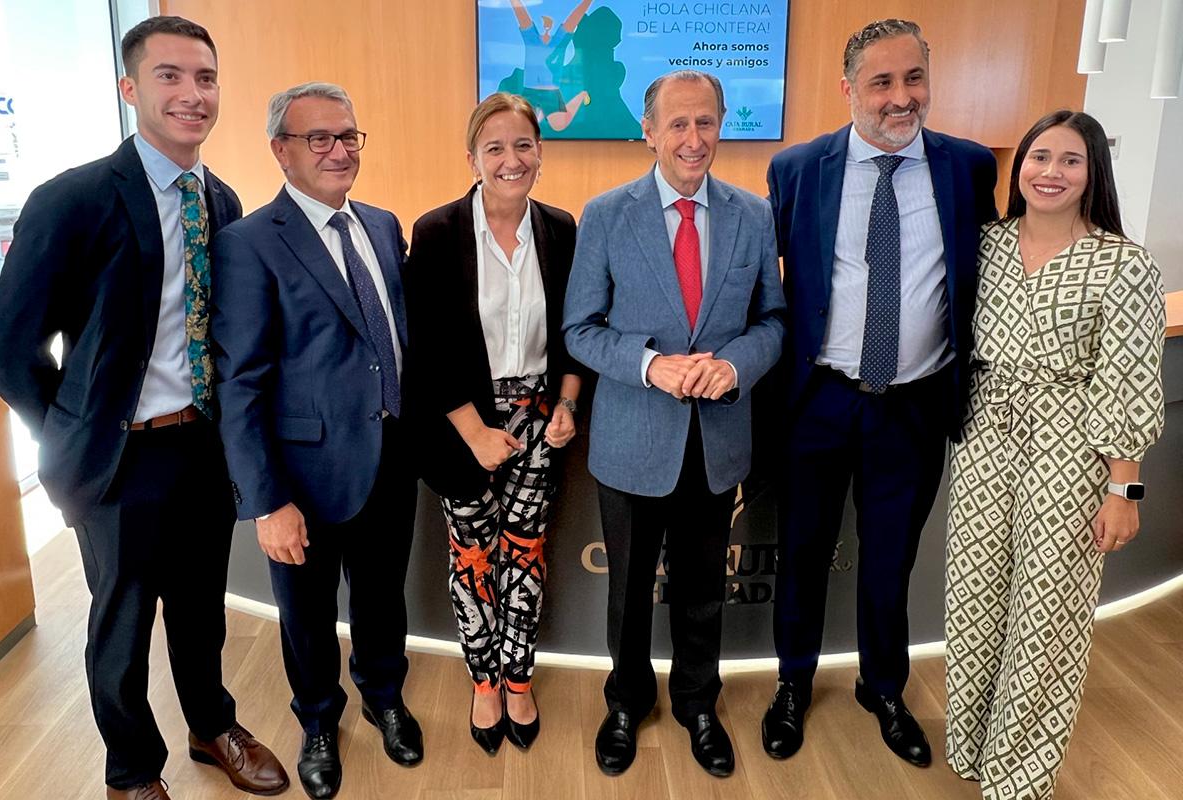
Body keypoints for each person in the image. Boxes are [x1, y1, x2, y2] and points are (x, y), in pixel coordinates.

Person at [0, 16, 288, 800]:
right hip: (117, 456)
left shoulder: (220, 199)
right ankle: (130, 771)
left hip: (202, 445)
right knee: (120, 624)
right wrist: (68, 435)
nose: (192, 94)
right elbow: (10, 347)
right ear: (131, 88)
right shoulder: (73, 198)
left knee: (200, 608)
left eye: (206, 78)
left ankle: (210, 724)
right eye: (170, 76)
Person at [763, 18, 997, 767]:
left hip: (915, 406)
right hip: (819, 401)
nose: (902, 98)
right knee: (801, 552)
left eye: (914, 79)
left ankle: (884, 687)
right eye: (883, 83)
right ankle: (793, 685)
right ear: (848, 90)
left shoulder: (967, 168)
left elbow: (986, 274)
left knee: (889, 557)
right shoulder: (797, 169)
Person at [564, 69, 786, 778]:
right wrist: (648, 365)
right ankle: (625, 703)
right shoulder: (605, 213)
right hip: (633, 438)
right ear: (649, 131)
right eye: (679, 125)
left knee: (700, 589)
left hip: (717, 440)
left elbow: (773, 320)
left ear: (722, 125)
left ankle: (697, 703)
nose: (694, 140)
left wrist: (736, 366)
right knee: (628, 591)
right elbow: (580, 328)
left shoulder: (753, 213)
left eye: (707, 123)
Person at [944, 110, 1165, 800]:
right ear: (1020, 167)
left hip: (1072, 452)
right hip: (985, 437)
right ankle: (971, 745)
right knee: (974, 598)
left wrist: (1123, 492)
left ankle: (1020, 774)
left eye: (1071, 161)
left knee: (1048, 613)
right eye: (1040, 157)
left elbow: (1129, 379)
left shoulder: (1125, 263)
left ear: (1093, 173)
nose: (1050, 172)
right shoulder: (984, 245)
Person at [210, 82, 421, 800]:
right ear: (281, 151)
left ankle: (385, 698)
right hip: (303, 473)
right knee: (306, 613)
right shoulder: (247, 244)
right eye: (319, 138)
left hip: (391, 457)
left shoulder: (385, 225)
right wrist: (268, 501)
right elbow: (239, 384)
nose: (338, 150)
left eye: (349, 136)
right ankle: (319, 721)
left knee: (382, 598)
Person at [406, 92, 583, 755]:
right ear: (474, 157)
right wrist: (473, 431)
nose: (512, 160)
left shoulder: (562, 229)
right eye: (496, 148)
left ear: (540, 151)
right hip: (463, 418)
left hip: (540, 412)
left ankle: (518, 676)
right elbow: (425, 346)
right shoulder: (438, 230)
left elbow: (573, 332)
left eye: (524, 146)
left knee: (526, 553)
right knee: (474, 556)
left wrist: (566, 403)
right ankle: (483, 679)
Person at [509, 0, 592, 131]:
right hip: (530, 90)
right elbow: (522, 15)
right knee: (523, 125)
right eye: (544, 29)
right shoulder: (532, 40)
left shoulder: (559, 41)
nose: (546, 33)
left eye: (548, 29)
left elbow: (574, 18)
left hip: (551, 93)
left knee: (559, 124)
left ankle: (581, 95)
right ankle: (541, 112)